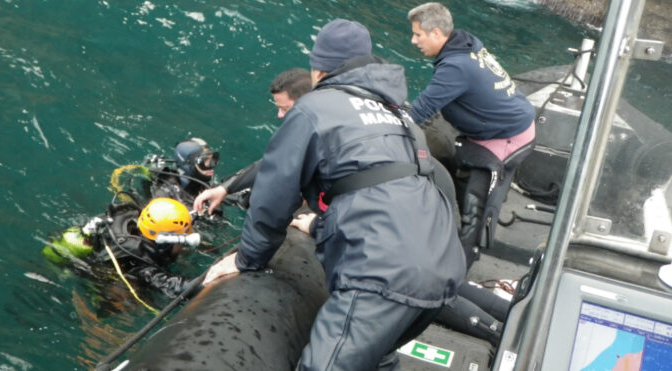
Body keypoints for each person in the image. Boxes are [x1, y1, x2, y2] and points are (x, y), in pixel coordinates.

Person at [203, 19, 465, 370]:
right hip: (444, 266)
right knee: (378, 358)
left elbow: (273, 194)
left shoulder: (314, 108)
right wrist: (319, 226)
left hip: (382, 274)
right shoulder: (400, 115)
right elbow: (390, 188)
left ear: (319, 70)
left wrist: (246, 260)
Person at [407, 2, 536, 266]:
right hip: (490, 129)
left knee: (474, 210)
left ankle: (463, 264)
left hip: (508, 138)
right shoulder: (463, 44)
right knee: (460, 179)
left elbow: (421, 110)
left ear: (436, 34)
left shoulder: (456, 67)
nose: (413, 40)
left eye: (418, 34)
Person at [193, 69, 312, 214]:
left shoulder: (325, 137)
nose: (280, 115)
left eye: (285, 109)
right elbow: (274, 161)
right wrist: (224, 188)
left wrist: (312, 223)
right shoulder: (303, 126)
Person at [43, 197, 198, 300]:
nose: (185, 241)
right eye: (183, 237)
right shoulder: (140, 262)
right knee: (128, 298)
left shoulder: (136, 222)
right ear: (166, 241)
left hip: (100, 255)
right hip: (103, 278)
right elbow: (172, 286)